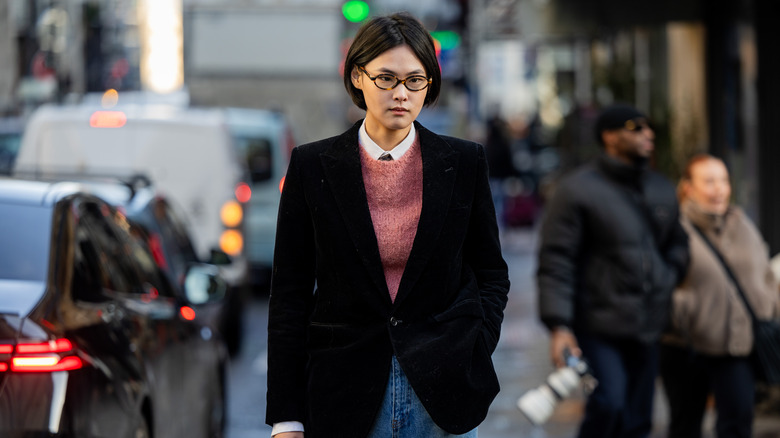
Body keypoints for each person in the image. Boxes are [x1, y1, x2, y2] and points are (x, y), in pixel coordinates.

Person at [265, 12, 510, 438]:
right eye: (387, 79)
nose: (402, 93)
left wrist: (474, 345)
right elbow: (290, 294)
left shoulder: (464, 162)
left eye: (415, 80)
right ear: (358, 76)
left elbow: (490, 271)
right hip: (346, 392)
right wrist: (287, 418)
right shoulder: (313, 165)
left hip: (443, 394)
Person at [535, 103, 689, 438]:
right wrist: (559, 325)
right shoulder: (576, 190)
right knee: (609, 403)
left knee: (638, 420)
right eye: (636, 128)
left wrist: (668, 274)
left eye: (648, 127)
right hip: (598, 325)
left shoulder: (660, 187)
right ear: (609, 137)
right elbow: (556, 260)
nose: (648, 134)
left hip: (648, 323)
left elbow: (678, 242)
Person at [660, 154, 780, 438]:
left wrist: (771, 310)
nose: (719, 189)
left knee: (738, 422)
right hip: (684, 346)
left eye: (723, 180)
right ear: (688, 188)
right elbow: (660, 282)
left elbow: (764, 274)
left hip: (736, 346)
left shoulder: (742, 224)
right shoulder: (673, 228)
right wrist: (683, 314)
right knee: (685, 427)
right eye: (709, 181)